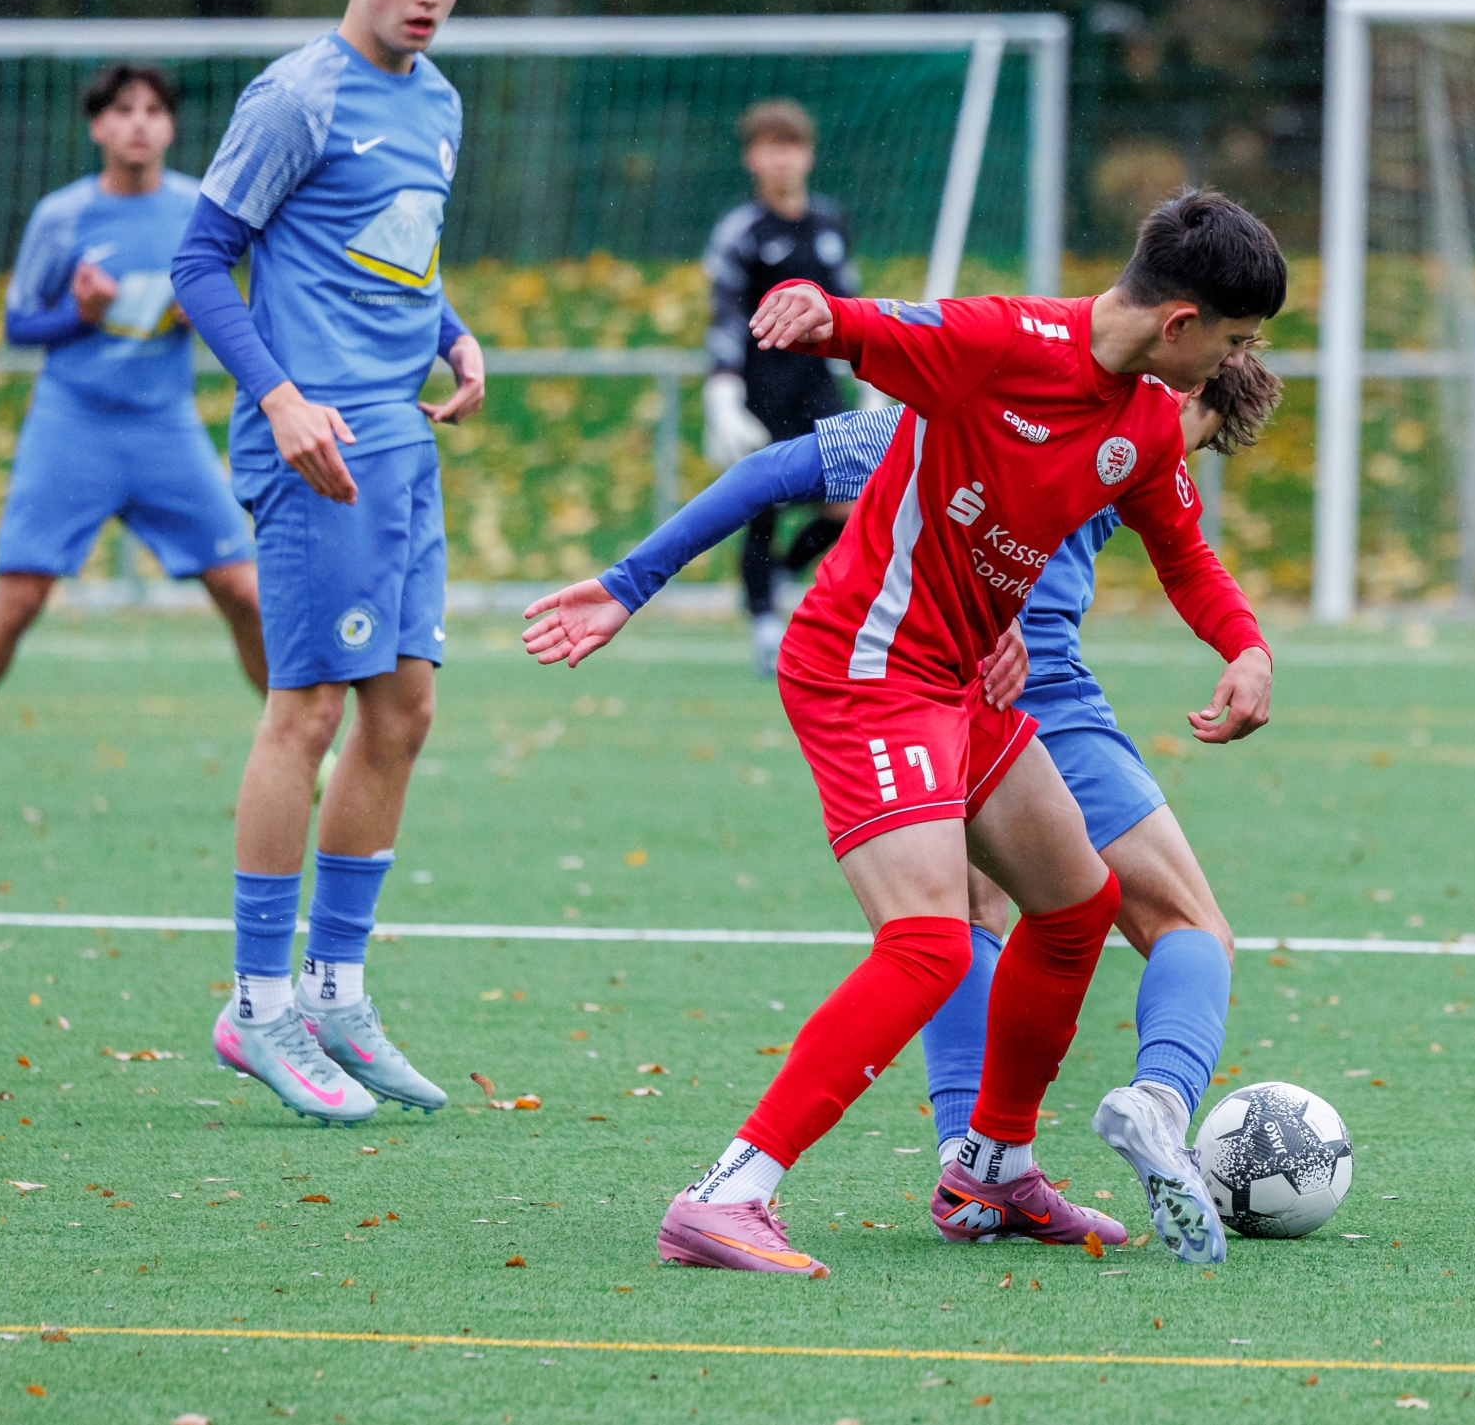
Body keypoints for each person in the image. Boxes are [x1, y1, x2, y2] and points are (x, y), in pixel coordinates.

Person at [539, 188, 1283, 1274]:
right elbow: (871, 328)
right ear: (1180, 324)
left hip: (960, 684)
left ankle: (991, 1168)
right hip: (866, 667)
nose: (1233, 361)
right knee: (930, 941)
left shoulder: (1145, 425)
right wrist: (809, 308)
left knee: (1077, 905)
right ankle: (727, 1192)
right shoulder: (1005, 341)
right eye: (1233, 341)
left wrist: (1246, 647)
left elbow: (1185, 555)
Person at [169, 0, 489, 1127]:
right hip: (313, 452)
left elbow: (397, 254)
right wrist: (280, 398)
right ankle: (256, 1007)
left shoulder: (440, 102)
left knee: (403, 712)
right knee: (302, 713)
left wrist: (453, 335)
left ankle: (336, 992)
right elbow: (202, 261)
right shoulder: (297, 95)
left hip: (399, 448)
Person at [0, 66, 266, 826]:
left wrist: (202, 316)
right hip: (74, 426)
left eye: (155, 110)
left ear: (170, 127)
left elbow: (224, 305)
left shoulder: (197, 210)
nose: (139, 123)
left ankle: (303, 748)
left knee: (243, 591)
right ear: (97, 127)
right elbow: (19, 325)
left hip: (165, 427)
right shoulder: (62, 217)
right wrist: (79, 314)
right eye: (122, 110)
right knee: (19, 599)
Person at [700, 99, 860, 675]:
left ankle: (780, 579)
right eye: (770, 148)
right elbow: (724, 314)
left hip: (818, 387)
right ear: (753, 159)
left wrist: (870, 375)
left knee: (850, 507)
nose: (782, 160)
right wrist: (722, 392)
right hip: (762, 388)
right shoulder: (741, 231)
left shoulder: (830, 223)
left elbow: (850, 307)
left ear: (808, 155)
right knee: (763, 505)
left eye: (791, 147)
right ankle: (765, 623)